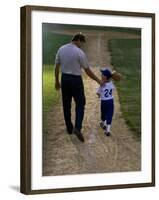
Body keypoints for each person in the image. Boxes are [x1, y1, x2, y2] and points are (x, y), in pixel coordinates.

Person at [55, 32, 102, 142]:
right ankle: (77, 127)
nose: (82, 45)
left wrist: (57, 81)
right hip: (76, 80)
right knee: (80, 103)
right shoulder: (79, 52)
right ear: (78, 40)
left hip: (65, 79)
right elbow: (87, 70)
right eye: (82, 43)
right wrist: (98, 80)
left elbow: (56, 66)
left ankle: (69, 128)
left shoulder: (61, 49)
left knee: (66, 104)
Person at [97, 68, 121, 136]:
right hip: (110, 101)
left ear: (104, 77)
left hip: (104, 102)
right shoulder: (111, 84)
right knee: (109, 115)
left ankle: (103, 123)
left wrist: (99, 94)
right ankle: (108, 130)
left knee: (103, 113)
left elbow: (98, 93)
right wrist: (111, 75)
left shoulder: (102, 85)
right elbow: (111, 78)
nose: (101, 75)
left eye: (102, 74)